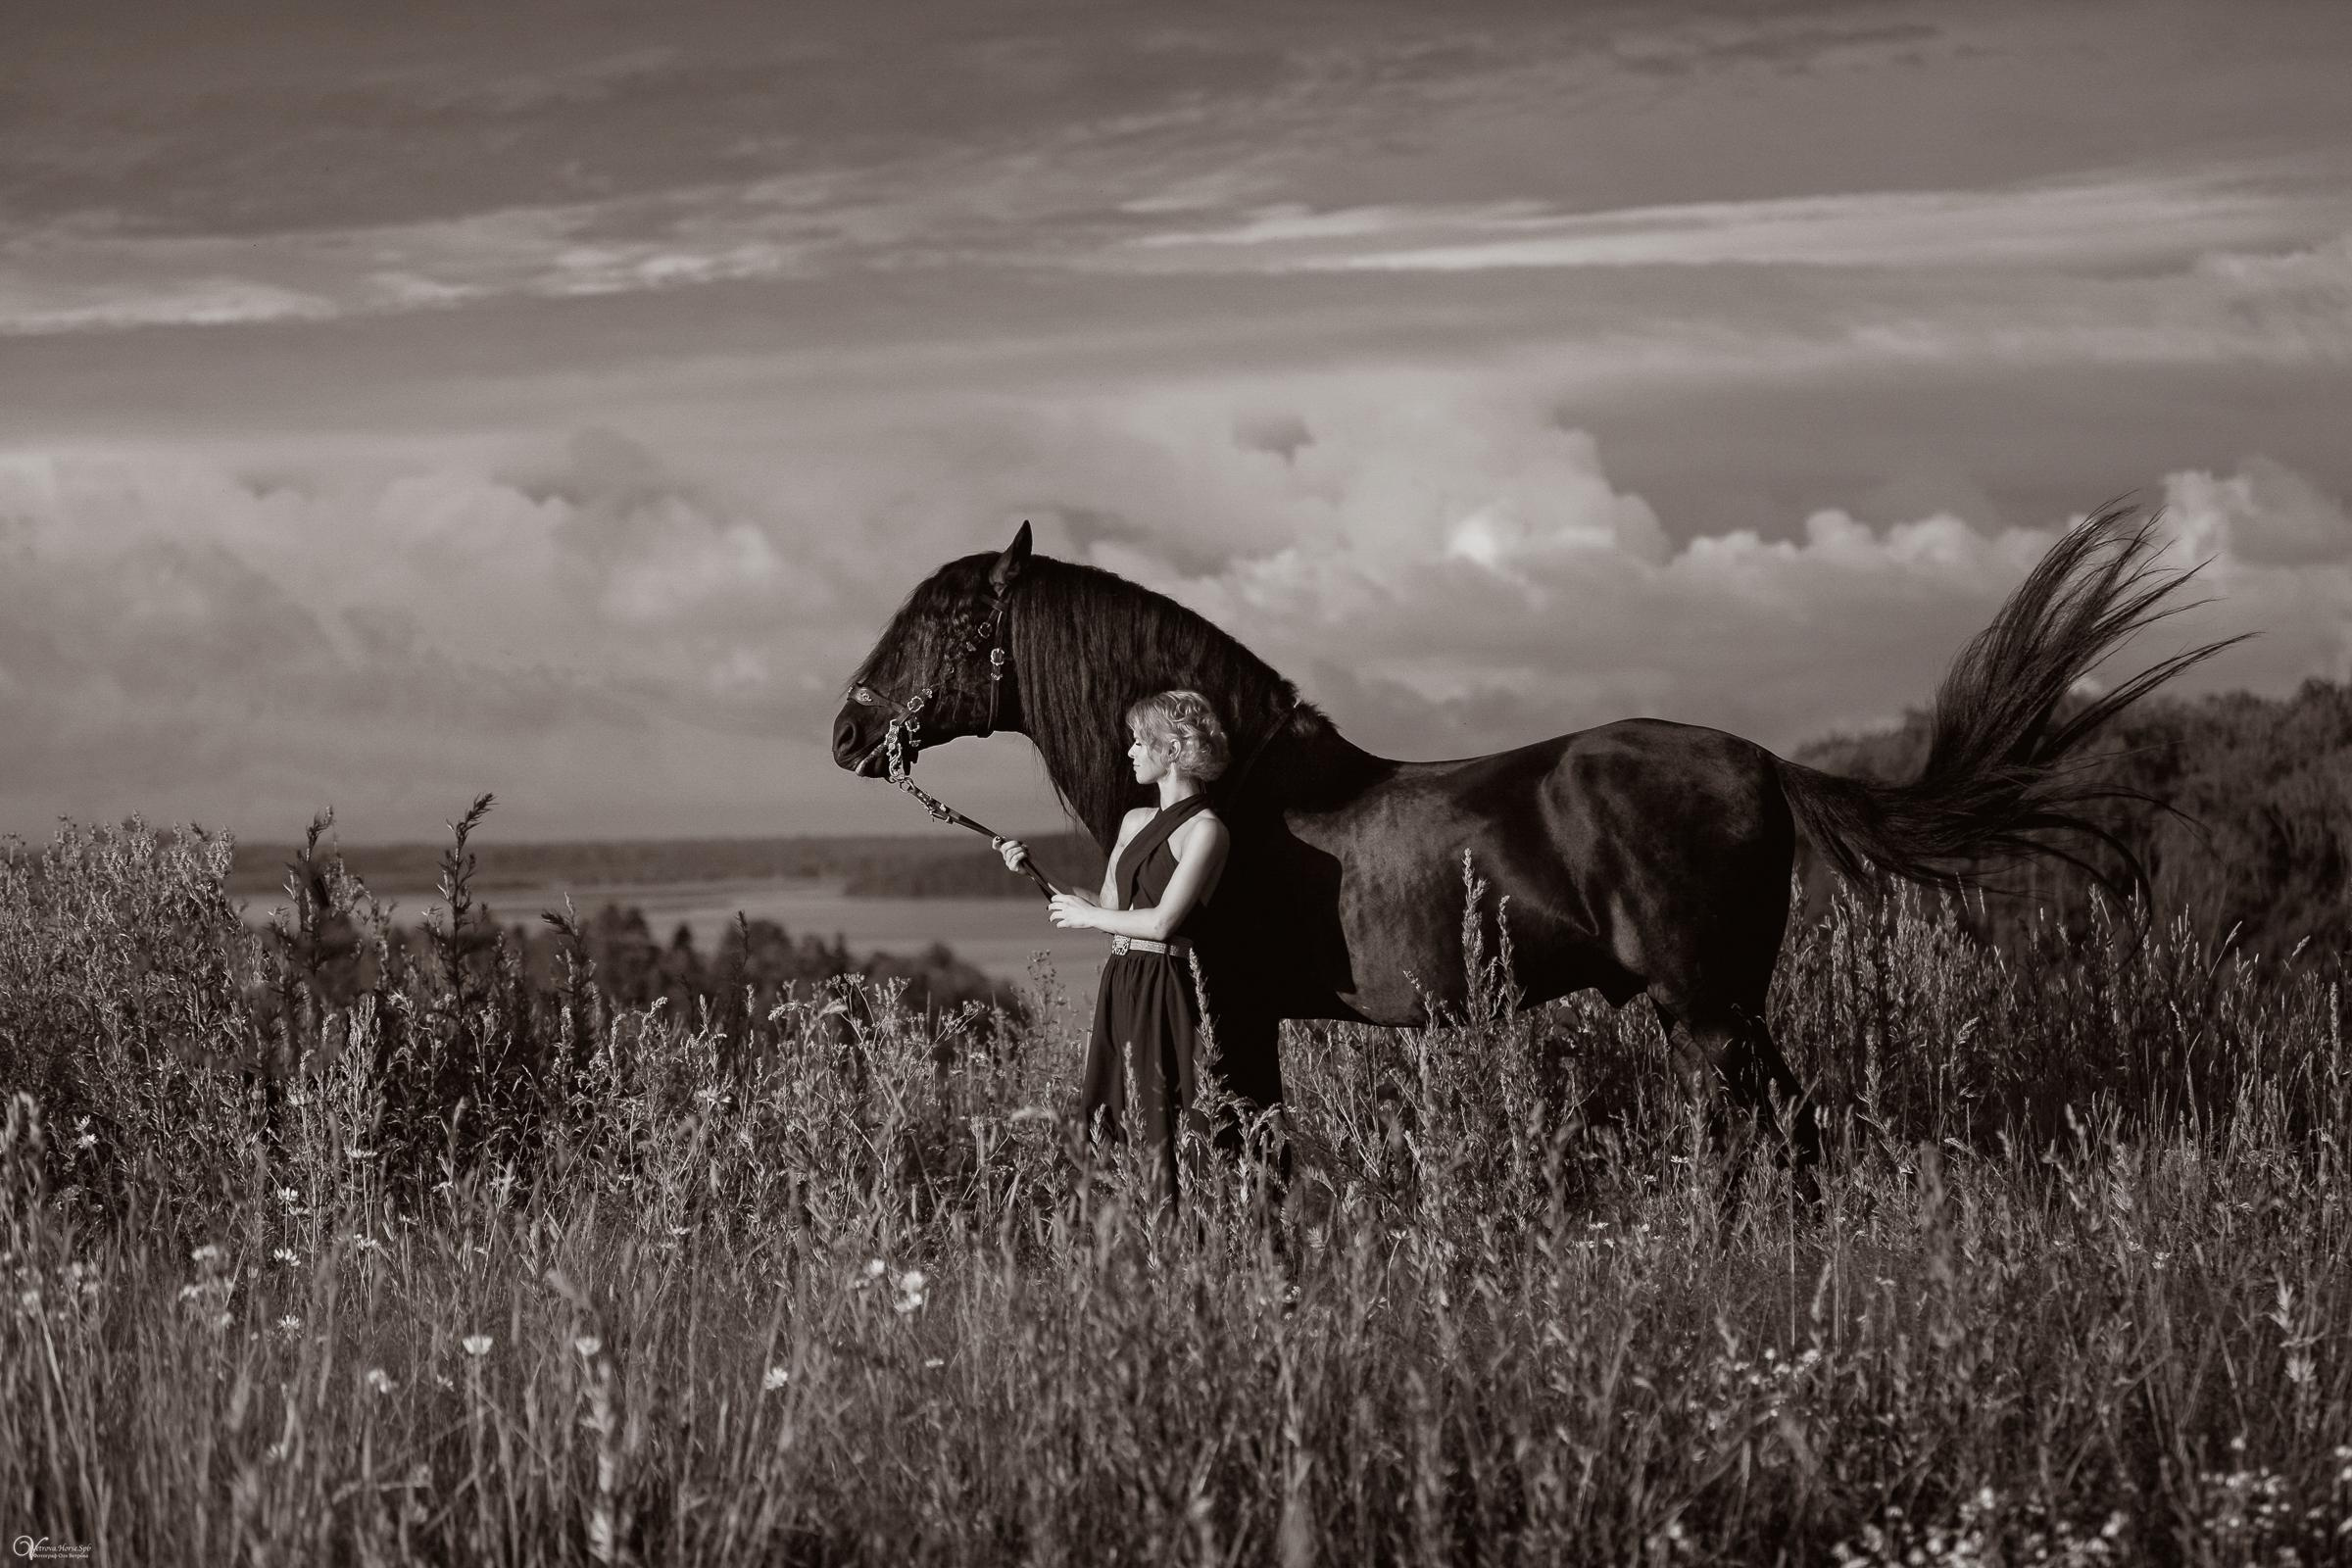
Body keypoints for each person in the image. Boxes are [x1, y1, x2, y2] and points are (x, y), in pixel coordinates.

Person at [996, 688, 1231, 1207]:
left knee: (1158, 1115)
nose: (1130, 751)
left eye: (1140, 741)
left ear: (1173, 749)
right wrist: (1034, 870)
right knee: (1111, 1111)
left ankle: (1177, 1231)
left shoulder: (1207, 831)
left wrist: (1089, 917)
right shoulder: (1133, 822)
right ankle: (1115, 1229)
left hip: (1165, 989)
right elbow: (1107, 908)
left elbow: (1164, 922)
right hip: (1120, 980)